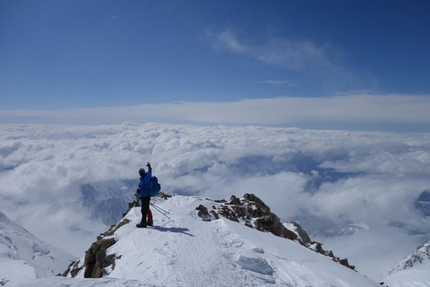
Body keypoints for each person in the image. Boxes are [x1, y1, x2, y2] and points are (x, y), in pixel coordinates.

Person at [135, 162, 153, 228]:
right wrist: (139, 191)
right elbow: (141, 187)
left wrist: (149, 167)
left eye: (140, 172)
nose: (140, 174)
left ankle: (143, 223)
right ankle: (149, 221)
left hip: (145, 196)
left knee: (143, 210)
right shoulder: (143, 179)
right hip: (144, 196)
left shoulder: (146, 177)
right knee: (146, 209)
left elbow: (150, 173)